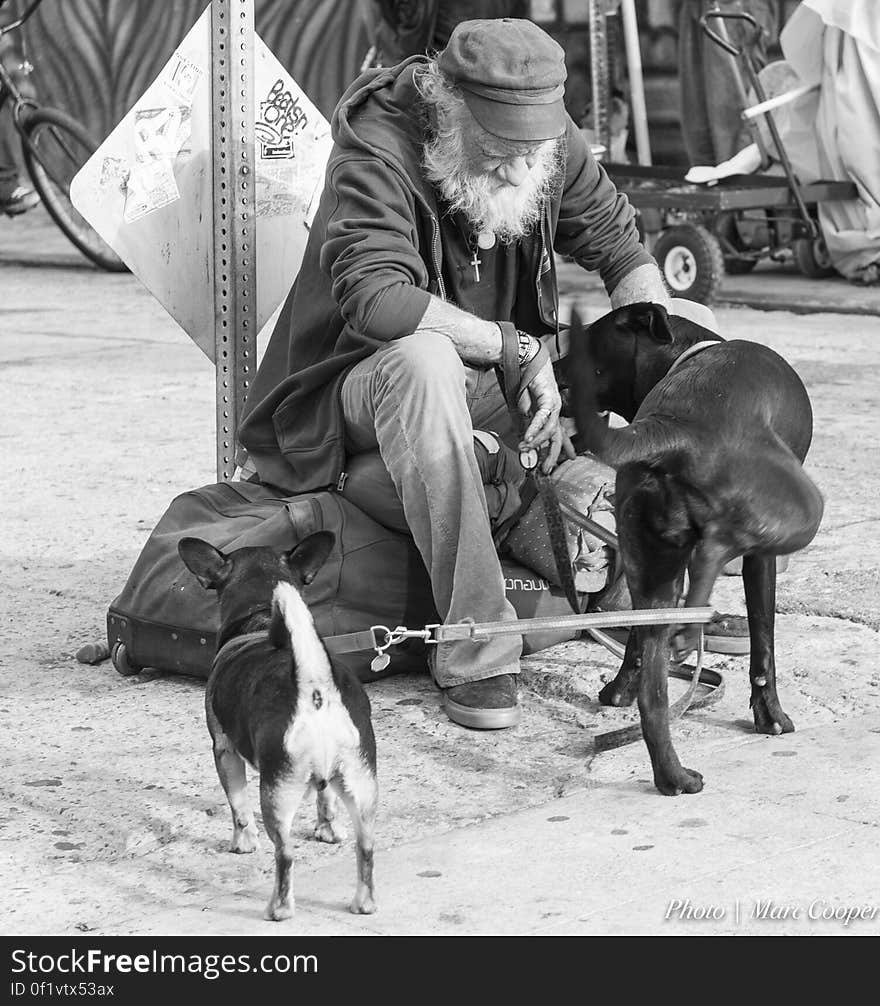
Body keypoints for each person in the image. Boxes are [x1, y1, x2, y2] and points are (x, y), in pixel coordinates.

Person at [238, 17, 669, 730]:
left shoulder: (546, 139)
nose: (518, 172)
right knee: (424, 357)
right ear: (448, 108)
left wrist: (659, 347)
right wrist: (515, 349)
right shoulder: (377, 143)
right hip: (355, 393)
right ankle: (478, 645)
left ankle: (660, 584)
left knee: (668, 330)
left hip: (488, 383)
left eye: (533, 155)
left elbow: (624, 248)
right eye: (498, 153)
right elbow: (377, 300)